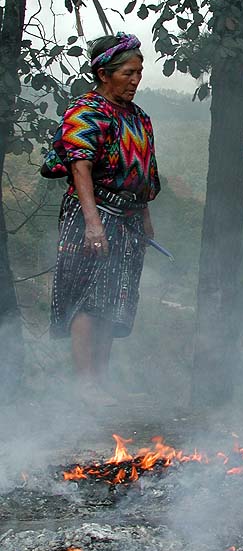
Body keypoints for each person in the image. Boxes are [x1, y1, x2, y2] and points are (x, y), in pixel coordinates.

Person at [42, 32, 161, 406]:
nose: (135, 79)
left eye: (139, 72)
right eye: (128, 72)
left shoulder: (139, 119)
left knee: (116, 298)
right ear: (104, 73)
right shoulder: (86, 111)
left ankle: (102, 380)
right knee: (89, 296)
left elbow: (141, 173)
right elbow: (80, 169)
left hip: (127, 217)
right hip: (92, 213)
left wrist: (144, 215)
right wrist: (93, 225)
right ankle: (85, 385)